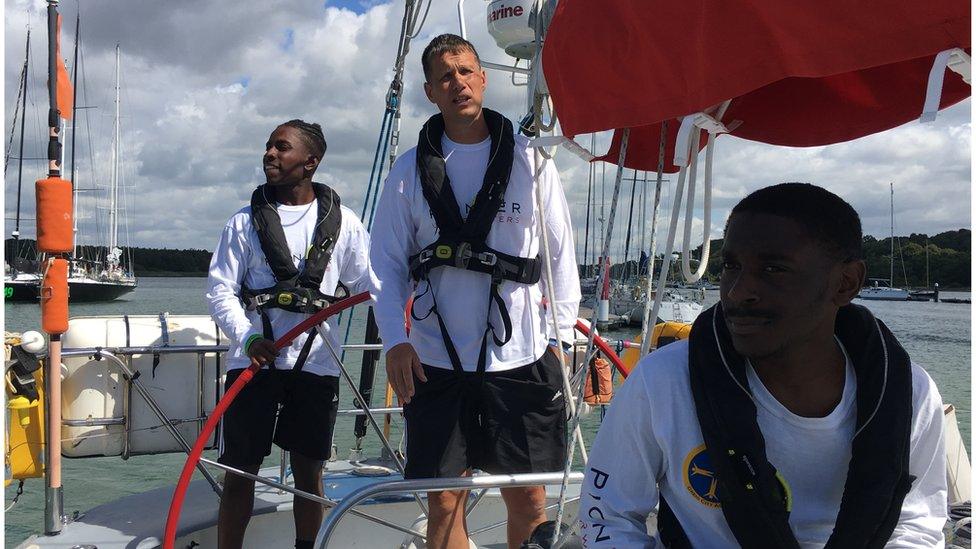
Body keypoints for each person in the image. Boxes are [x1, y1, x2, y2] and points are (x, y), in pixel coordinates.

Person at [579, 183, 947, 548]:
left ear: (846, 283)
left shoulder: (907, 394)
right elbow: (607, 515)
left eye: (773, 269)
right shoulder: (663, 382)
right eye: (731, 266)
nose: (738, 291)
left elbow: (914, 523)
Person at [370, 34, 581, 549]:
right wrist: (395, 341)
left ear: (482, 78)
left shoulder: (532, 164)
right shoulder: (406, 174)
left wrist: (563, 340)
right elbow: (386, 265)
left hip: (523, 356)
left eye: (465, 71)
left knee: (529, 499)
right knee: (443, 497)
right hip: (433, 359)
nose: (457, 82)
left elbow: (560, 257)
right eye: (445, 76)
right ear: (430, 91)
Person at [206, 120, 372, 549]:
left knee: (309, 470)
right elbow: (220, 290)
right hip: (254, 363)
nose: (270, 154)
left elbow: (369, 286)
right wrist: (246, 338)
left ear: (310, 162)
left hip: (316, 365)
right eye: (268, 147)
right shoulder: (242, 224)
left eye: (282, 148)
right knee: (241, 470)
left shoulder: (346, 224)